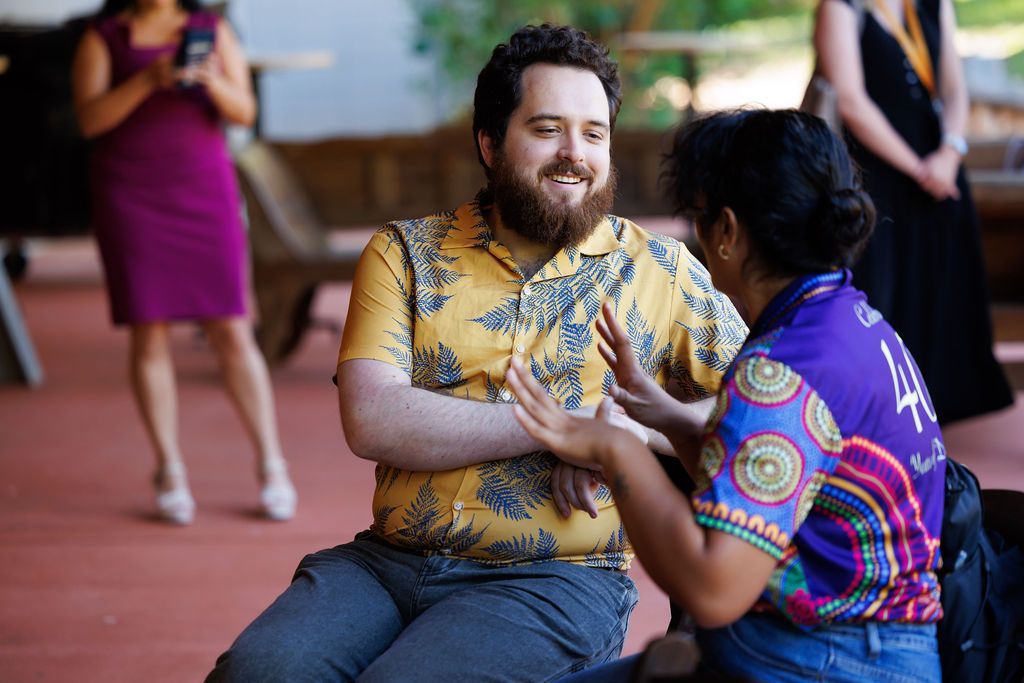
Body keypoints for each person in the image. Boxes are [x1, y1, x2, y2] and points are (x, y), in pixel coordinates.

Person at [205, 24, 747, 682]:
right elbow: (373, 418)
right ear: (490, 143)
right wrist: (563, 427)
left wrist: (632, 432)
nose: (574, 154)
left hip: (554, 578)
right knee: (259, 672)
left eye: (593, 133)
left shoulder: (661, 270)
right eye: (547, 129)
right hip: (385, 563)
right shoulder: (405, 253)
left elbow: (769, 403)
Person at [506, 109, 946, 682]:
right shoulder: (852, 323)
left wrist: (618, 449)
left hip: (824, 660)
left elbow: (713, 591)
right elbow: (766, 487)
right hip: (878, 649)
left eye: (699, 217)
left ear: (729, 232)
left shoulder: (781, 372)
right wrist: (671, 418)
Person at [71, 0, 296, 524]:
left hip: (203, 189)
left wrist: (209, 79)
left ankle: (271, 464)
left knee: (231, 328)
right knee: (148, 331)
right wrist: (148, 80)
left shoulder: (211, 30)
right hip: (131, 194)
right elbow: (89, 120)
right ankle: (168, 468)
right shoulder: (104, 36)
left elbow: (244, 113)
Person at [814, 0, 1013, 425]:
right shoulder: (841, 6)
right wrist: (920, 169)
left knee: (943, 286)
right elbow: (850, 100)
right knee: (884, 290)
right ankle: (883, 413)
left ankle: (937, 409)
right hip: (878, 170)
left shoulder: (933, 4)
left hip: (939, 163)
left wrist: (950, 151)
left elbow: (954, 89)